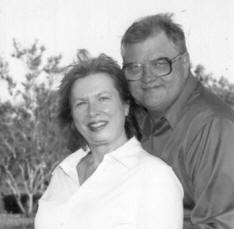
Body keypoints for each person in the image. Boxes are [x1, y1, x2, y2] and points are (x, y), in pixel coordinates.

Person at [34, 52, 183, 229]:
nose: (93, 112)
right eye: (81, 103)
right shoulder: (62, 173)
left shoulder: (156, 177)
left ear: (126, 106)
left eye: (103, 98)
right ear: (72, 115)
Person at [121, 12, 234, 229]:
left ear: (185, 62)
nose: (147, 77)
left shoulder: (213, 128)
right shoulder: (137, 123)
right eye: (134, 68)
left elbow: (220, 225)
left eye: (159, 64)